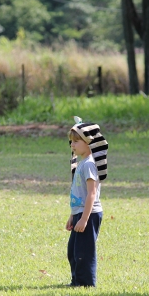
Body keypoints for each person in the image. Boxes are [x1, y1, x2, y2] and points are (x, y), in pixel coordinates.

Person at [65, 117, 108, 287]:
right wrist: (73, 215)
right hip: (80, 213)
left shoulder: (90, 165)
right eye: (71, 142)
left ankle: (86, 283)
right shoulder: (81, 164)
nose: (72, 145)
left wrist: (84, 218)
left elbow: (92, 194)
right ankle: (76, 280)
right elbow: (80, 194)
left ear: (89, 143)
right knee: (73, 251)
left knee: (84, 251)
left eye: (76, 141)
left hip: (89, 215)